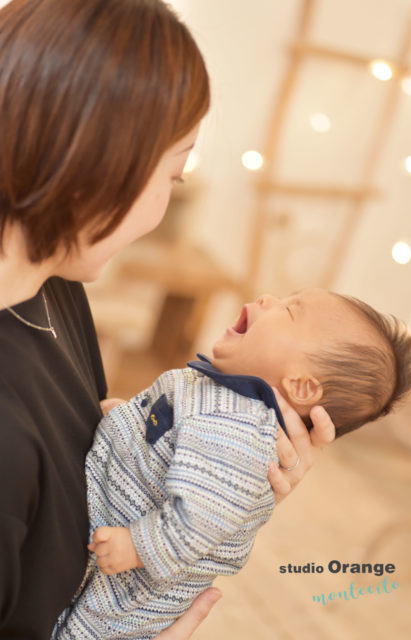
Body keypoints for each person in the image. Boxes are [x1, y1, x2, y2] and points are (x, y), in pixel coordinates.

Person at [0, 1, 336, 638]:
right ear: (96, 171)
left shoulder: (50, 287)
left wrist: (222, 480)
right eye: (174, 176)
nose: (163, 206)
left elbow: (86, 470)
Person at [52, 288, 411, 639]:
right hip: (105, 521)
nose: (267, 299)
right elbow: (176, 436)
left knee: (80, 627)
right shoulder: (223, 395)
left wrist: (137, 546)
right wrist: (128, 421)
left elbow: (202, 518)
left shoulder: (242, 431)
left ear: (301, 387)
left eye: (289, 310)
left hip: (126, 587)